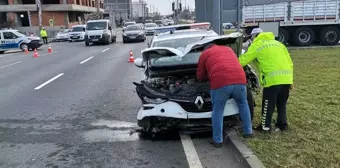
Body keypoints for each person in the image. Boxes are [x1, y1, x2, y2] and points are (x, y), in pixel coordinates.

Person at [197, 43, 254, 148]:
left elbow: (200, 75)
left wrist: (206, 78)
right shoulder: (228, 49)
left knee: (218, 110)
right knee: (243, 104)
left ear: (206, 48)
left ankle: (217, 140)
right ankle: (248, 132)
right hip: (240, 79)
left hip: (220, 82)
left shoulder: (205, 53)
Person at [238, 28, 294, 132]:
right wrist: (290, 80)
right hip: (286, 78)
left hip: (272, 80)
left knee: (268, 104)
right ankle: (282, 124)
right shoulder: (279, 44)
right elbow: (290, 62)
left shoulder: (257, 45)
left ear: (254, 37)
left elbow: (243, 61)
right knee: (281, 103)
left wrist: (231, 61)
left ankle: (265, 127)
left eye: (250, 38)